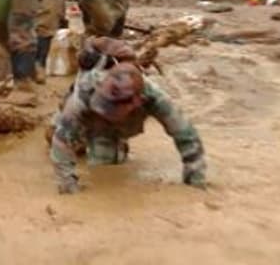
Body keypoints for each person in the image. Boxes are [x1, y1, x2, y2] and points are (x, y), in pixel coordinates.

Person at [51, 62, 206, 194]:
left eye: (111, 107)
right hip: (82, 115)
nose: (106, 111)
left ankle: (112, 145)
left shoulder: (156, 99)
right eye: (104, 103)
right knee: (54, 136)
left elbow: (187, 137)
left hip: (112, 128)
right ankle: (83, 141)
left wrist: (195, 184)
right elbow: (62, 140)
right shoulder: (86, 91)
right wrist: (68, 186)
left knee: (105, 169)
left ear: (136, 102)